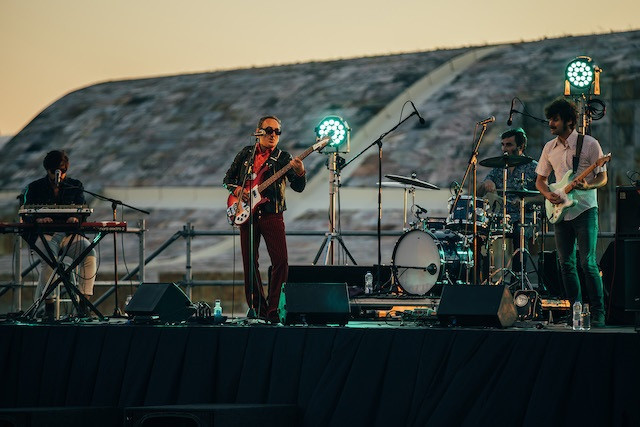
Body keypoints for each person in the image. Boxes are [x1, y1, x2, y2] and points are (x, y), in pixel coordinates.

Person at [223, 116, 306, 323]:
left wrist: (300, 171)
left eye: (277, 132)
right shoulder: (246, 154)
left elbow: (298, 187)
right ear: (258, 131)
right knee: (250, 262)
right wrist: (238, 189)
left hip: (272, 213)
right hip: (248, 214)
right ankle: (257, 309)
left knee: (281, 261)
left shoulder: (283, 157)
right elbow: (227, 180)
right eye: (269, 130)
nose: (273, 135)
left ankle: (274, 309)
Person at [535, 98, 607, 327]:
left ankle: (598, 313)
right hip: (560, 211)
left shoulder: (589, 144)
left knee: (587, 262)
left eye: (555, 119)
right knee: (565, 263)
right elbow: (541, 180)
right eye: (550, 119)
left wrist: (587, 185)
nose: (551, 123)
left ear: (569, 121)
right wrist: (548, 195)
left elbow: (602, 177)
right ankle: (574, 311)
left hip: (585, 209)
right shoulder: (549, 147)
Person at [22, 150, 97, 320]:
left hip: (69, 234)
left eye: (63, 172)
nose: (59, 176)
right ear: (47, 170)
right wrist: (39, 218)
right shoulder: (34, 188)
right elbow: (26, 212)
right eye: (54, 172)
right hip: (45, 235)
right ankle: (49, 306)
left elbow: (82, 210)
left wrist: (75, 217)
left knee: (89, 254)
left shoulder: (75, 185)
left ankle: (84, 304)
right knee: (49, 259)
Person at [478, 128, 540, 279]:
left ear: (521, 146)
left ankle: (518, 279)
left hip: (526, 217)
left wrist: (524, 200)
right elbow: (478, 193)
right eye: (503, 145)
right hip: (501, 216)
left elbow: (545, 196)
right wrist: (486, 183)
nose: (504, 149)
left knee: (520, 233)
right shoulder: (498, 167)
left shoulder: (534, 167)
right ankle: (485, 279)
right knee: (480, 234)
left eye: (509, 145)